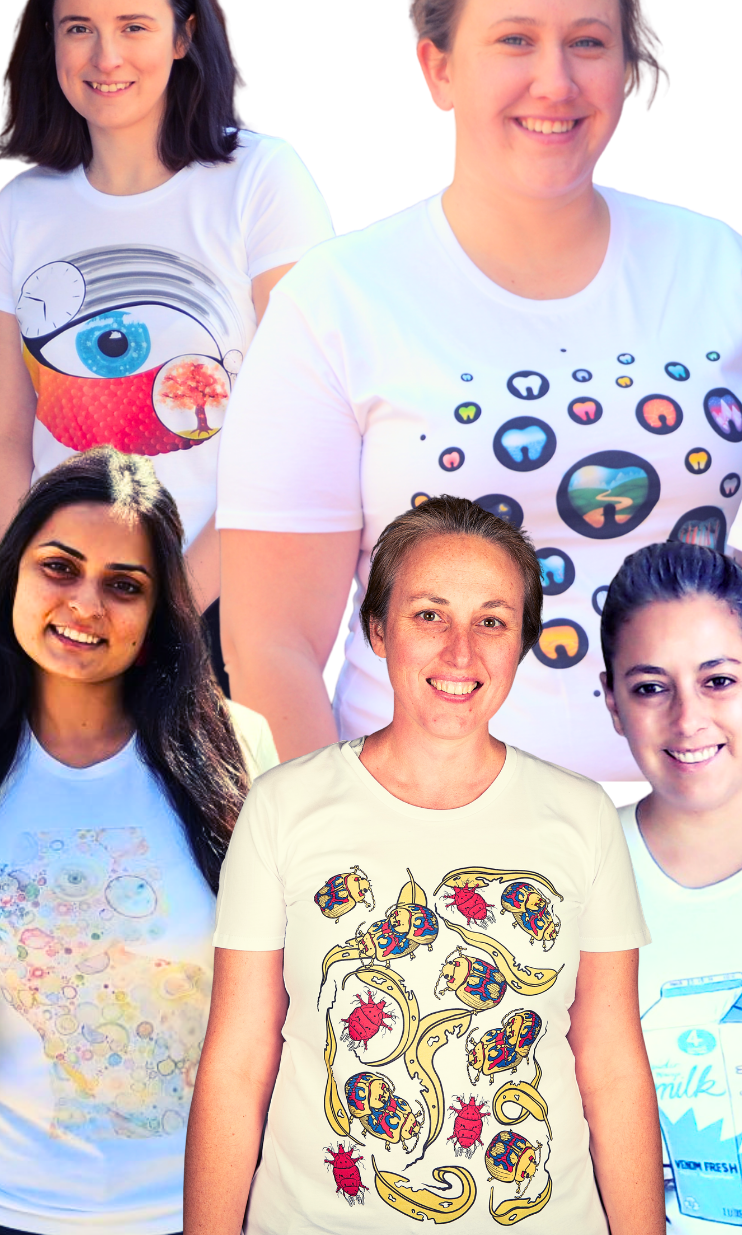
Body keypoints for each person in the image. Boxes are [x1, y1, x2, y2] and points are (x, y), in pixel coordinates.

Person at [217, 0, 742, 792]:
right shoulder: (338, 299)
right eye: (513, 40)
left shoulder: (717, 266)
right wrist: (339, 850)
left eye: (588, 42)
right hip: (435, 852)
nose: (555, 80)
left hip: (704, 846)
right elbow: (274, 643)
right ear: (439, 66)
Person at [189, 496, 661, 1233]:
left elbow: (614, 1068)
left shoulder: (581, 815)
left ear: (522, 644)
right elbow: (236, 1064)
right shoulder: (283, 806)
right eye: (430, 615)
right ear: (378, 628)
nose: (461, 652)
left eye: (492, 621)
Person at [0, 446, 277, 1233]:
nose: (86, 602)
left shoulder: (240, 757)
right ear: (14, 574)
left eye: (124, 584)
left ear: (159, 614)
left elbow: (282, 1008)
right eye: (60, 567)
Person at [0, 0, 332, 675]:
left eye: (134, 26)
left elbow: (302, 431)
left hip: (218, 608)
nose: (105, 56)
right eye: (78, 28)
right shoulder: (23, 207)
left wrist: (171, 600)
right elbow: (13, 433)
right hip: (64, 614)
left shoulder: (261, 182)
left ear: (184, 34)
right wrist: (15, 598)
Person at [597, 541, 742, 1232]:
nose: (688, 719)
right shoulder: (571, 880)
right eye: (652, 686)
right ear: (614, 703)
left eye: (719, 680)